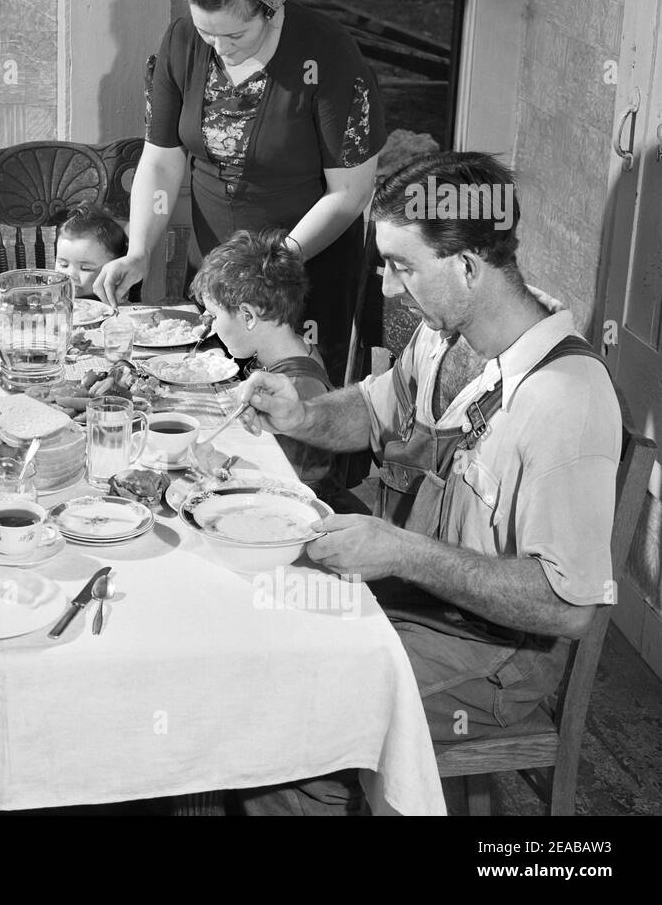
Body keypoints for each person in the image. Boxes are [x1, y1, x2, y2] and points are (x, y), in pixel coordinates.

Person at [225, 152, 621, 814]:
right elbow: (376, 412)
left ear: (467, 266)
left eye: (403, 267)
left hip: (501, 654)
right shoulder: (445, 337)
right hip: (420, 598)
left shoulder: (564, 400)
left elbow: (568, 606)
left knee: (289, 721)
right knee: (248, 626)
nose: (384, 287)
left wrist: (402, 550)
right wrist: (302, 413)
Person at [96, 0, 387, 386]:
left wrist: (275, 263)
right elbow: (160, 162)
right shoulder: (181, 41)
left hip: (305, 267)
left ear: (271, 11)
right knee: (212, 396)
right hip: (215, 267)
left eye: (235, 34)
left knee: (294, 412)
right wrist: (139, 250)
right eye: (207, 32)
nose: (219, 47)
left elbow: (350, 192)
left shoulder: (328, 53)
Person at [189, 229, 339, 501]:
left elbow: (281, 481)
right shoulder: (291, 351)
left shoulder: (298, 385)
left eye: (213, 316)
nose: (208, 325)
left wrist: (217, 463)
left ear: (247, 315)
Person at [53, 205, 132, 300]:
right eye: (63, 265)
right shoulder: (51, 300)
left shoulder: (118, 305)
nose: (71, 275)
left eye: (85, 268)